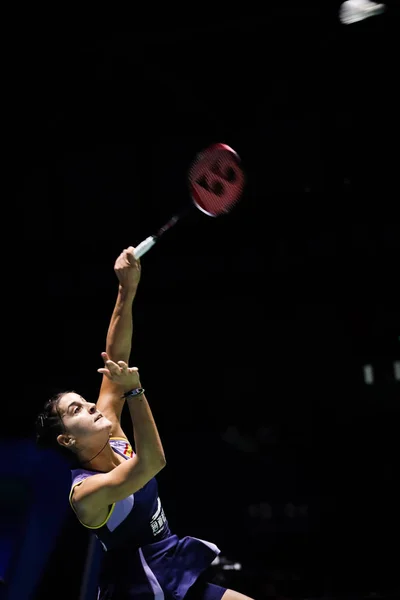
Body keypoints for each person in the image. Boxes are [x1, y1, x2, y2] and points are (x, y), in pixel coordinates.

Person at [35, 247, 254, 600]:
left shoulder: (112, 434)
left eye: (86, 401)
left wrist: (127, 288)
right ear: (66, 440)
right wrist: (134, 391)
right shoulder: (85, 494)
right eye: (77, 410)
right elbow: (152, 463)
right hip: (137, 587)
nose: (92, 405)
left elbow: (115, 358)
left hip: (168, 562)